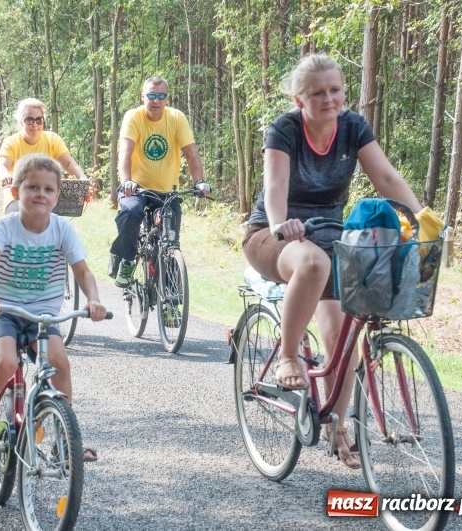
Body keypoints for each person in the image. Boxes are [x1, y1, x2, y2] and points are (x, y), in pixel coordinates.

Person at [242, 53, 424, 470]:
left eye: (336, 90)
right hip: (273, 237)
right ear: (299, 99)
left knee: (342, 339)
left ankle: (336, 424)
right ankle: (288, 354)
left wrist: (423, 219)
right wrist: (278, 223)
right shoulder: (284, 130)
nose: (329, 99)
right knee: (311, 264)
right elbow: (276, 187)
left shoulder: (354, 127)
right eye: (318, 93)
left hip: (331, 238)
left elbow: (388, 179)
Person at [0, 154, 105, 462]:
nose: (41, 194)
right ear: (16, 192)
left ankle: (64, 440)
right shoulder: (5, 227)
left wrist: (93, 299)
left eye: (49, 189)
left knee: (59, 363)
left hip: (43, 316)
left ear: (57, 196)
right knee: (7, 362)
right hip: (5, 311)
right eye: (33, 187)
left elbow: (83, 271)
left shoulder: (63, 229)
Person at [110, 76, 209, 289]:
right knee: (131, 212)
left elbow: (191, 153)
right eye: (151, 96)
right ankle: (127, 260)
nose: (156, 101)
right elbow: (125, 153)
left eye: (161, 96)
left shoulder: (176, 118)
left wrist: (199, 181)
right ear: (142, 97)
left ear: (167, 99)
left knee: (171, 241)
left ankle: (171, 302)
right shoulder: (133, 117)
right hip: (136, 188)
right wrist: (126, 181)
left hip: (166, 191)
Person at [0, 98, 87, 213]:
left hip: (45, 198)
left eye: (39, 120)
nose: (35, 124)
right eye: (29, 120)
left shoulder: (52, 140)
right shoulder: (11, 142)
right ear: (20, 121)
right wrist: (6, 177)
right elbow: (2, 166)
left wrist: (83, 179)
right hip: (18, 199)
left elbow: (69, 163)